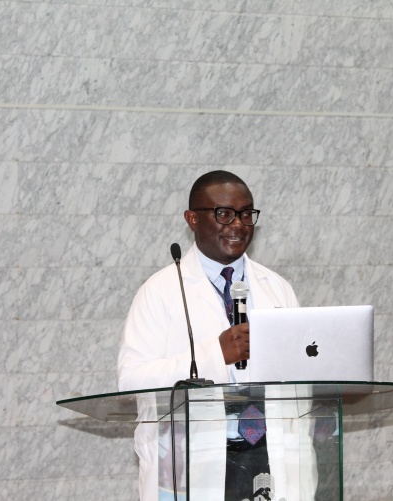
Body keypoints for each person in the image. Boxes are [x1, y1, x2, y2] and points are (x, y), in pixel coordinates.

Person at [117, 171, 312, 501]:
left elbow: (303, 381)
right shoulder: (160, 291)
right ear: (192, 219)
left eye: (246, 214)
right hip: (195, 463)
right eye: (224, 213)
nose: (238, 225)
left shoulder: (277, 288)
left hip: (269, 456)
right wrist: (216, 355)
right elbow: (130, 381)